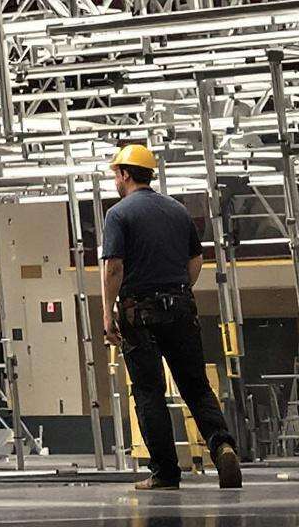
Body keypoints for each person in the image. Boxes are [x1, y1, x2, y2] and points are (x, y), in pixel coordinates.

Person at [100, 143, 243, 491]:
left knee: (149, 392)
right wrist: (178, 292)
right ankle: (222, 446)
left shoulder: (118, 214)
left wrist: (107, 313)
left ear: (125, 174)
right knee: (196, 386)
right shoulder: (178, 211)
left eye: (116, 174)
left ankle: (165, 472)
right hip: (180, 308)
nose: (115, 180)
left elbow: (113, 267)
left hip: (139, 313)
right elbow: (196, 261)